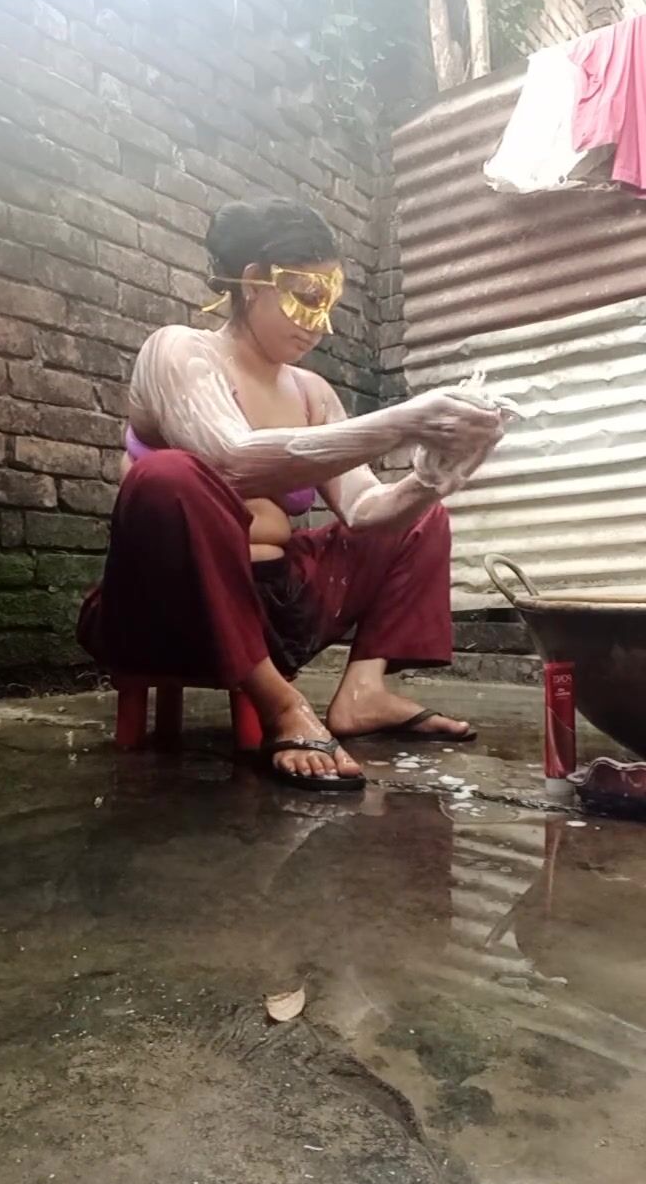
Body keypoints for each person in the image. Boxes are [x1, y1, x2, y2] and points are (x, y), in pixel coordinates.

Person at [78, 197, 504, 793]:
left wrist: (434, 477)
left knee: (420, 519)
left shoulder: (311, 391)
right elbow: (231, 461)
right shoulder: (177, 351)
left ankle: (363, 692)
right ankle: (280, 704)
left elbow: (365, 510)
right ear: (255, 282)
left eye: (329, 303)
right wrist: (405, 421)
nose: (319, 323)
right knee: (171, 477)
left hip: (275, 612)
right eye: (306, 297)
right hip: (164, 609)